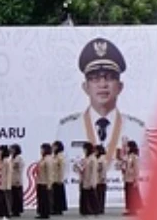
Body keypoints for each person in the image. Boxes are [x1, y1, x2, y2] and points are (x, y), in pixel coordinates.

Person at [55, 38, 149, 170]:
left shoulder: (137, 130)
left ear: (120, 86)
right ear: (85, 87)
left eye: (110, 77)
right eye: (95, 78)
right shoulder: (67, 129)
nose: (103, 84)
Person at [121, 139, 142, 215]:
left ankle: (134, 209)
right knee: (127, 194)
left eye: (127, 146)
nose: (126, 148)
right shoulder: (127, 156)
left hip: (132, 178)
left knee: (133, 194)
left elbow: (136, 168)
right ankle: (129, 209)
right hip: (126, 178)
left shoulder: (134, 157)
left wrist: (136, 179)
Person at [34, 143, 53, 220]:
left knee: (45, 199)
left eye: (42, 149)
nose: (41, 151)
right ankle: (41, 212)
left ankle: (45, 213)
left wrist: (49, 183)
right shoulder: (43, 159)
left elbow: (49, 172)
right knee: (40, 198)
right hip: (40, 181)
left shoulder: (48, 159)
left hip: (45, 182)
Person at [9, 144, 25, 217]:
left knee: (17, 196)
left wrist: (18, 180)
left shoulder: (19, 158)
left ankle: (17, 211)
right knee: (13, 195)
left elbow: (19, 169)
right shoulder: (12, 158)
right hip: (12, 179)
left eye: (12, 149)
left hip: (17, 178)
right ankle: (14, 210)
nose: (10, 150)